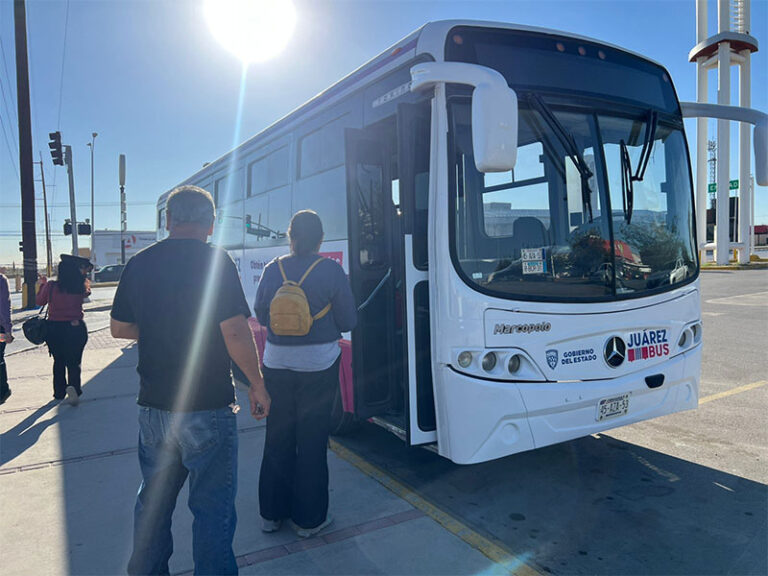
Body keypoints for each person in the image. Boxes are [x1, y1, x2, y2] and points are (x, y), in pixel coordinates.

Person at [110, 185, 270, 576]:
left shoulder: (140, 263)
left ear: (168, 221)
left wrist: (162, 328)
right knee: (212, 510)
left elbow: (118, 328)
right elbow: (234, 331)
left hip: (153, 408)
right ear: (211, 225)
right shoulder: (217, 262)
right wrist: (257, 384)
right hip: (207, 407)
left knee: (153, 506)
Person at [255, 210, 357, 538]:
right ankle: (309, 521)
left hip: (276, 362)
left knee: (278, 435)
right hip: (318, 366)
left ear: (290, 236)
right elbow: (348, 321)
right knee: (311, 440)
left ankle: (271, 514)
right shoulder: (330, 270)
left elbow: (261, 312)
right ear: (321, 239)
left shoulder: (274, 269)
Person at [36, 255, 93, 405]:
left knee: (58, 361)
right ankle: (74, 388)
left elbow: (39, 301)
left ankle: (59, 392)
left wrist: (43, 284)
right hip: (75, 327)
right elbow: (87, 292)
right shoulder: (81, 285)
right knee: (74, 362)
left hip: (54, 328)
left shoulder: (51, 286)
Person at [0, 272, 12, 404]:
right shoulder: (1, 280)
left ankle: (3, 390)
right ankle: (3, 390)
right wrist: (8, 330)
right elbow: (4, 307)